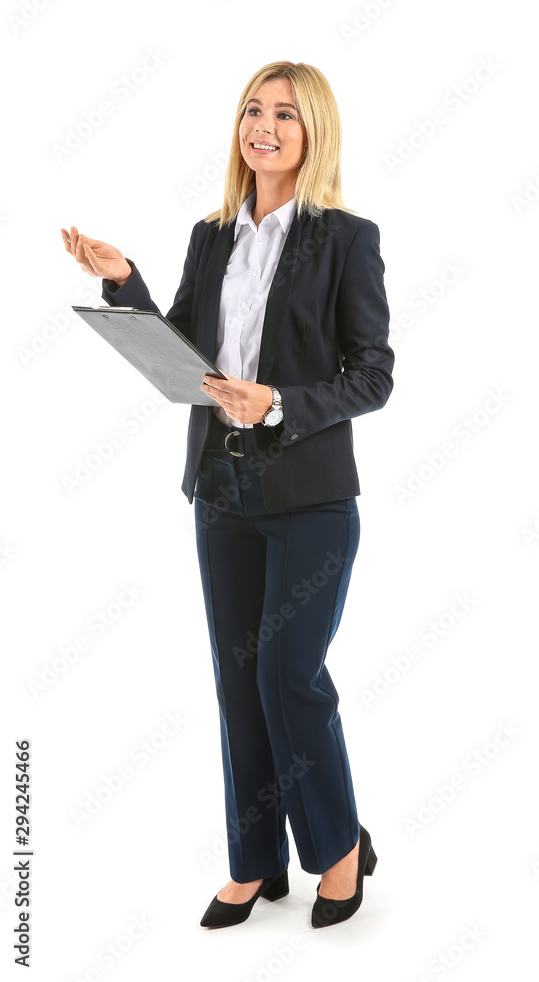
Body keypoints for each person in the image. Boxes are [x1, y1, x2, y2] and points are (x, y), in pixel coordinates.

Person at [60, 60, 394, 930]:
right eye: (253, 110)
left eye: (284, 114)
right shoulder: (212, 235)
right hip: (221, 486)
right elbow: (183, 346)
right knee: (239, 682)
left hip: (312, 495)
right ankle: (253, 862)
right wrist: (122, 281)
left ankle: (340, 849)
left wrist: (279, 401)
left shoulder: (347, 238)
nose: (264, 127)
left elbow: (373, 376)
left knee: (292, 677)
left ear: (312, 131)